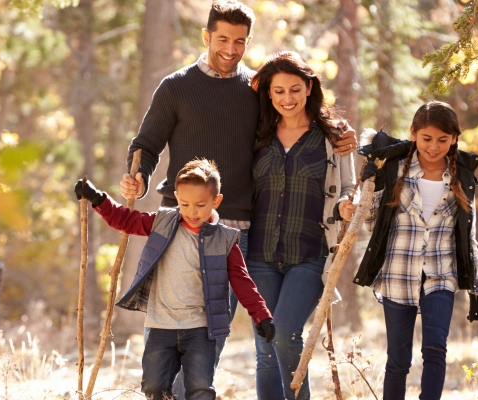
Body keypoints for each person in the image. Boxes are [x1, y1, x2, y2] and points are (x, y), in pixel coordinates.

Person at [120, 1, 356, 397]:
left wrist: (338, 132)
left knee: (213, 333)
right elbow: (146, 145)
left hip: (235, 231)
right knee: (171, 327)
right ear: (206, 36)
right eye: (223, 39)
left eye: (240, 41)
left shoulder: (255, 90)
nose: (231, 49)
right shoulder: (176, 87)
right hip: (179, 224)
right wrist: (138, 179)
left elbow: (293, 116)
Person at [75, 160, 276, 400]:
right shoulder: (163, 223)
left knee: (200, 388)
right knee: (153, 387)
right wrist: (97, 198)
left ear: (216, 201)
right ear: (177, 198)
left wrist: (262, 316)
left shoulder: (225, 239)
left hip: (201, 328)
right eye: (184, 204)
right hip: (161, 325)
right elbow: (125, 220)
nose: (192, 211)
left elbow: (242, 281)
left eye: (200, 205)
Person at [353, 101, 478, 400]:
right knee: (398, 360)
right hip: (398, 275)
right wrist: (371, 187)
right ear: (413, 133)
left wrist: (477, 290)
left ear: (454, 138)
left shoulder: (463, 176)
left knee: (436, 349)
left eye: (443, 139)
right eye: (427, 138)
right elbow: (371, 224)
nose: (434, 146)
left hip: (441, 275)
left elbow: (469, 237)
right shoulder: (394, 169)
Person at [243, 51, 355, 400]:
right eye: (278, 91)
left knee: (286, 333)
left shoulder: (332, 137)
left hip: (309, 254)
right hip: (259, 255)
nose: (287, 98)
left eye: (295, 89)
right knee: (265, 348)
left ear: (309, 87)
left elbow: (348, 186)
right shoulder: (257, 133)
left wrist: (345, 205)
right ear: (269, 93)